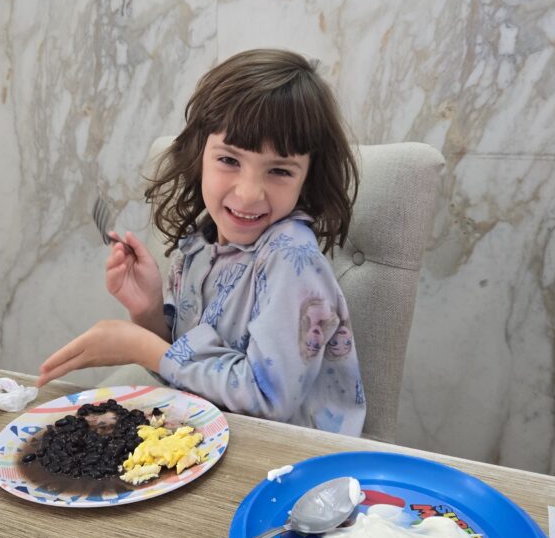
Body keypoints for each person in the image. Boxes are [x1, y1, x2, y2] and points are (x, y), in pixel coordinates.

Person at [36, 48, 366, 435]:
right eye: (229, 160)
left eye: (279, 171)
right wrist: (148, 313)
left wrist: (139, 346)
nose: (248, 193)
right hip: (207, 437)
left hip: (288, 455)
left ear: (307, 178)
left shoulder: (293, 259)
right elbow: (187, 372)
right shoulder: (198, 246)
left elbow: (268, 400)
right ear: (199, 155)